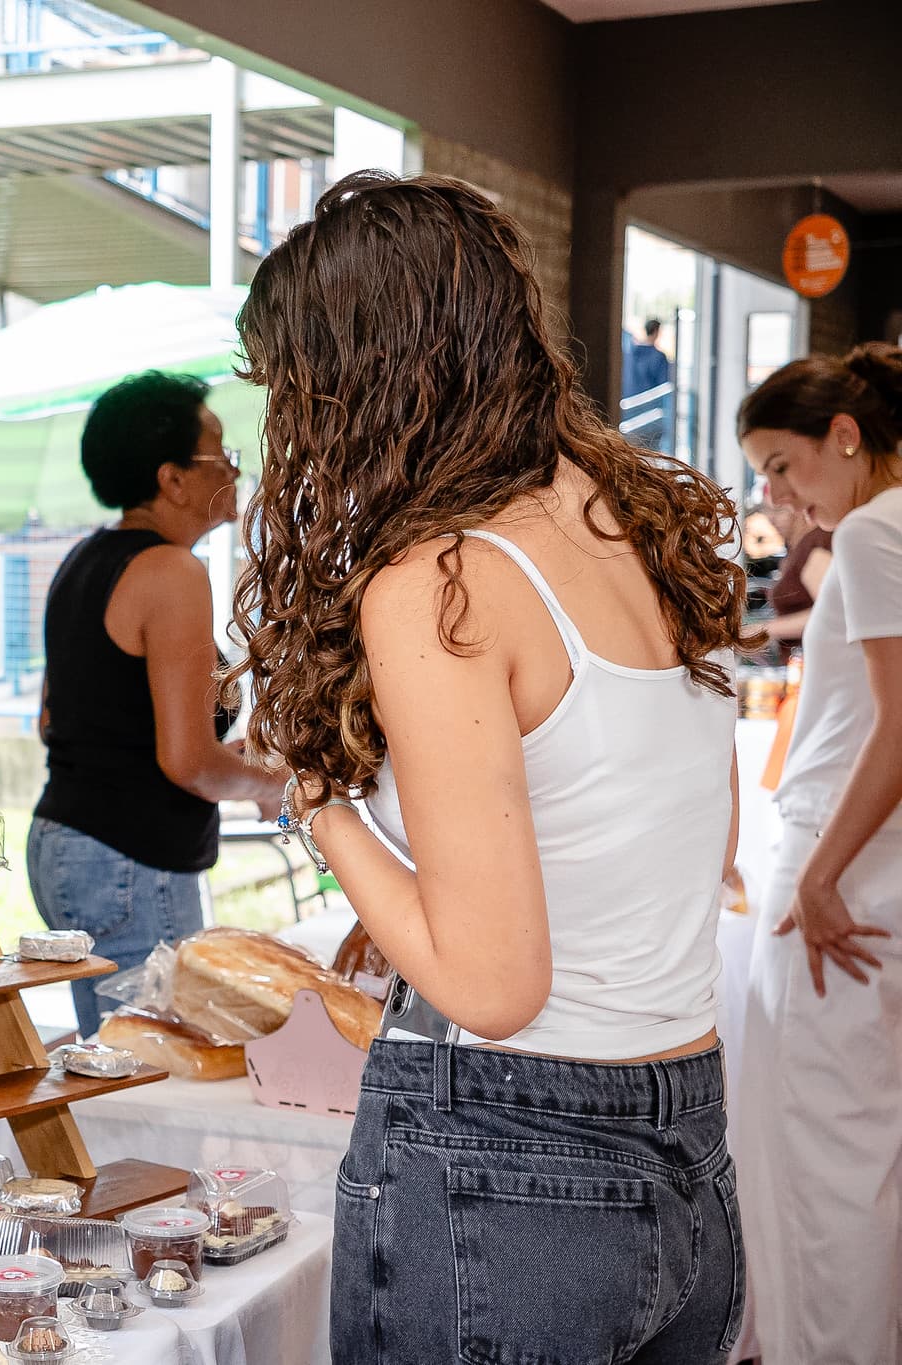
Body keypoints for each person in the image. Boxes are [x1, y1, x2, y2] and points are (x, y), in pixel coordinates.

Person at [228, 172, 751, 1362]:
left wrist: (324, 812)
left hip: (512, 1159)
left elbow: (494, 983)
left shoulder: (440, 580)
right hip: (686, 1143)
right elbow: (685, 848)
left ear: (361, 381)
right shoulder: (630, 527)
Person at [734, 343, 902, 1364]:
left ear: (843, 436)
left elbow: (896, 724)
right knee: (856, 1152)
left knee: (818, 1161)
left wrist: (819, 872)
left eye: (779, 463)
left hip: (846, 864)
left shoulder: (877, 531)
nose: (772, 492)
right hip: (870, 859)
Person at [28, 371, 283, 1039]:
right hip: (127, 861)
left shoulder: (84, 559)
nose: (233, 467)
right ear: (172, 479)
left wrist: (219, 761)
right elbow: (185, 761)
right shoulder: (173, 571)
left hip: (68, 843)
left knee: (113, 1058)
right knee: (153, 1070)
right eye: (218, 452)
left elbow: (58, 720)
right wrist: (270, 787)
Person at [761, 501, 833, 654]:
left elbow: (830, 614)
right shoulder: (798, 549)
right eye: (767, 510)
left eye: (779, 510)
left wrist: (766, 629)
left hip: (818, 658)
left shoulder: (815, 545)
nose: (771, 519)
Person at [625, 318, 675, 453]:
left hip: (627, 413)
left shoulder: (630, 354)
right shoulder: (658, 357)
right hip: (650, 415)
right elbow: (664, 387)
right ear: (656, 332)